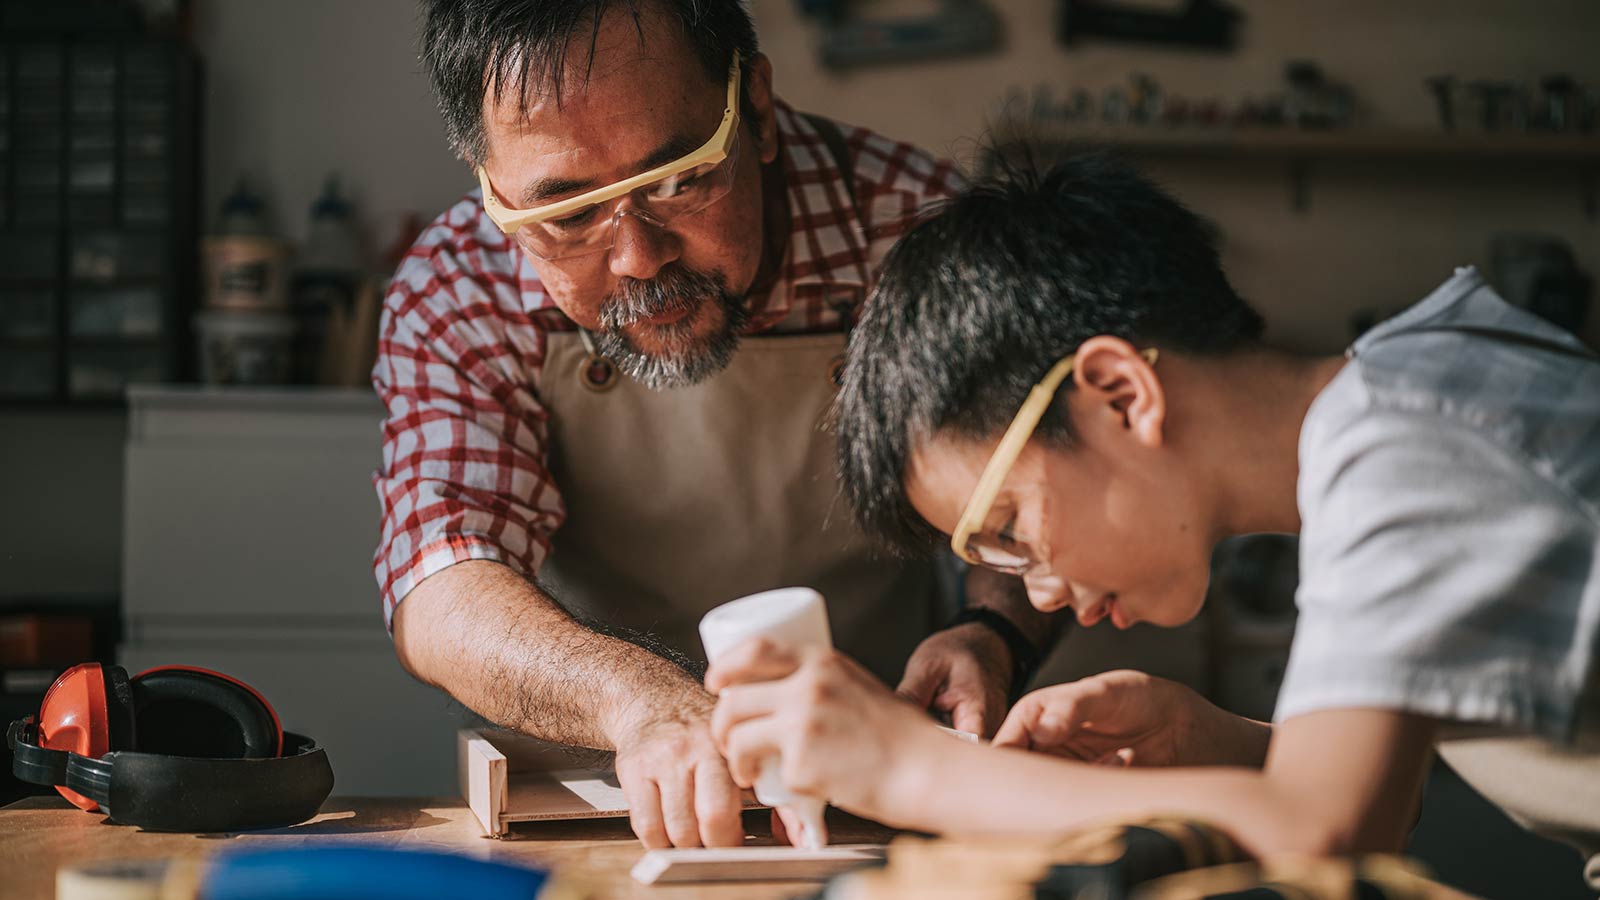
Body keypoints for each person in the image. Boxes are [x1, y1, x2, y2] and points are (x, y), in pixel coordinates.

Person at [706, 155, 1600, 882]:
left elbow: (1328, 840)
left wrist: (912, 768)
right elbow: (1377, 797)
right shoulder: (1415, 379)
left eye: (1009, 528)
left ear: (1121, 395)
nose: (1042, 592)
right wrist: (1231, 748)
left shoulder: (1403, 449)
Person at [373, 0, 1060, 850]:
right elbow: (441, 580)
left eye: (678, 180)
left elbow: (1032, 482)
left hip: (888, 770)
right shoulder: (459, 288)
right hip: (604, 784)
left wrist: (992, 633)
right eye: (567, 216)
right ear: (491, 186)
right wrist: (639, 701)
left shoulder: (915, 230)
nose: (637, 257)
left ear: (758, 109)